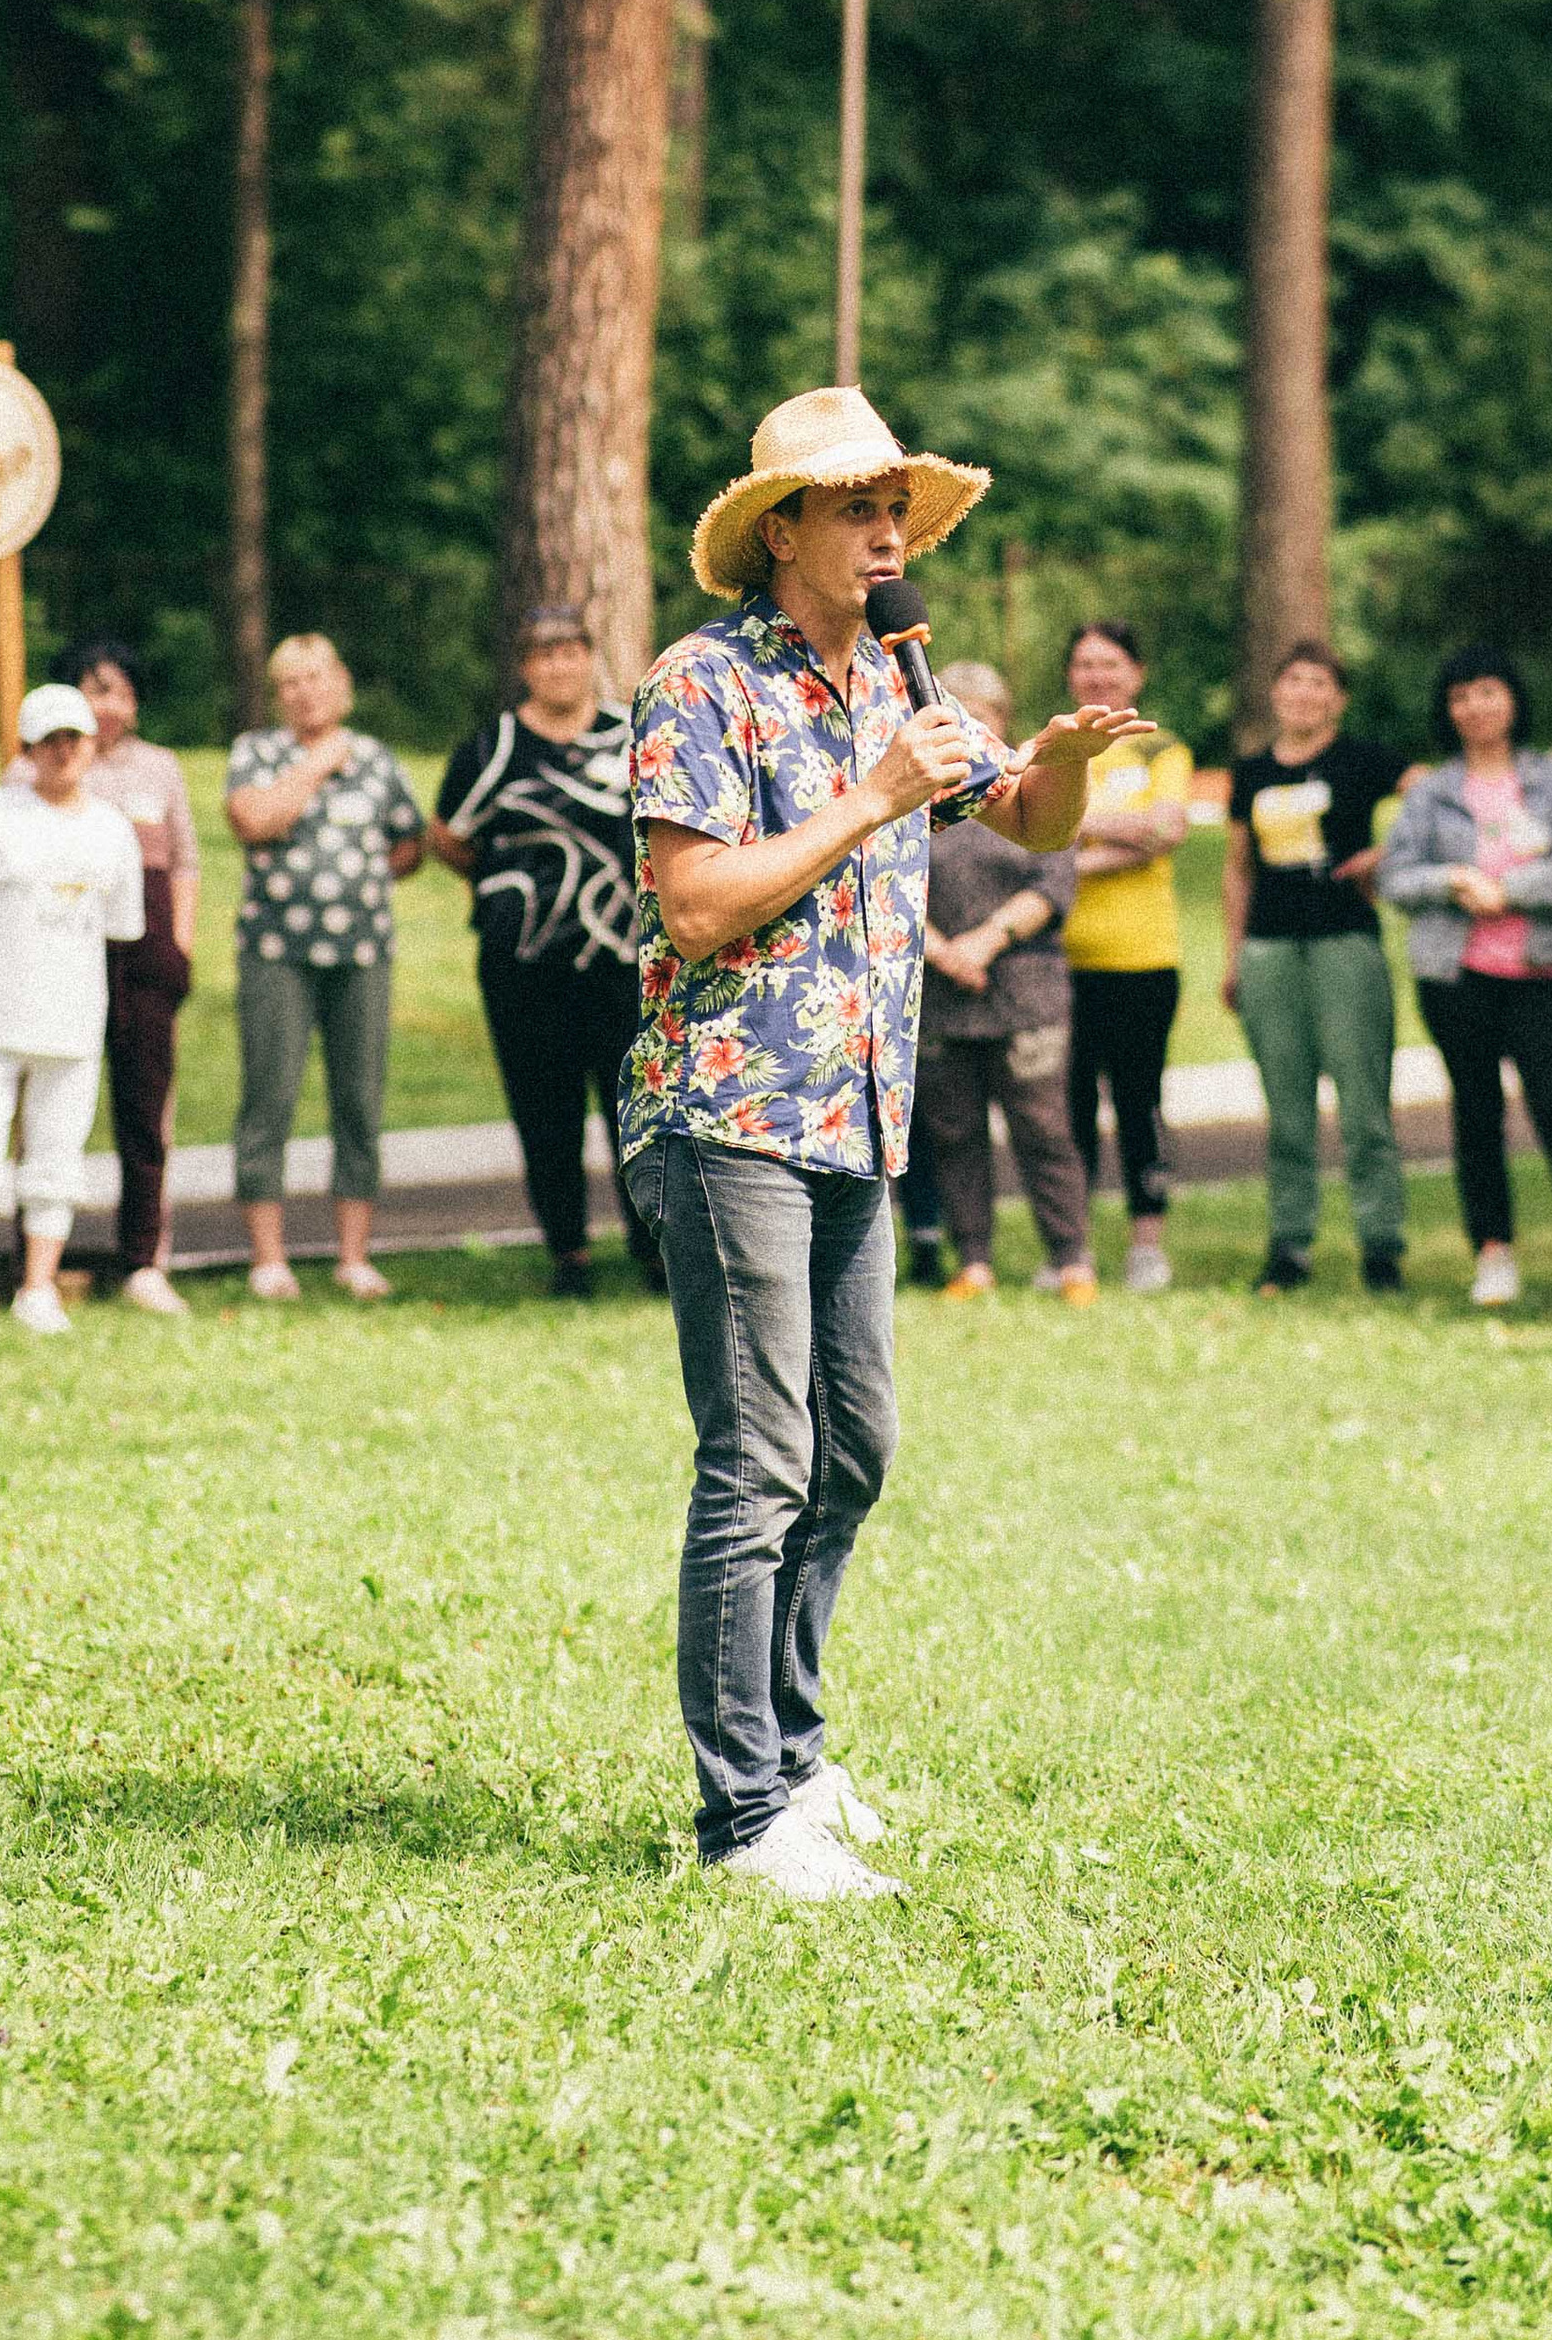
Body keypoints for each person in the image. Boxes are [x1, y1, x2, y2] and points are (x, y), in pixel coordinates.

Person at [622, 386, 1152, 1902]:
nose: (886, 529)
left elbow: (1032, 826)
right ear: (778, 530)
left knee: (853, 1452)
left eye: (896, 506)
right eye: (856, 506)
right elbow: (698, 904)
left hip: (860, 1113)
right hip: (731, 1114)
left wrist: (1057, 761)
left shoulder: (909, 679)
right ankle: (741, 1822)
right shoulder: (700, 682)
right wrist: (868, 799)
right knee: (760, 1461)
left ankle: (789, 1759)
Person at [1378, 644, 1552, 1311]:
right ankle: (1493, 1254)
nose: (1476, 706)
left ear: (1513, 699)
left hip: (1537, 973)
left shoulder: (1549, 781)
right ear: (1448, 711)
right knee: (1476, 1116)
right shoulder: (1432, 793)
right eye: (1462, 696)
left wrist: (1511, 889)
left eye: (1489, 691)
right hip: (1455, 976)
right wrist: (1452, 880)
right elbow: (1395, 876)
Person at [0, 683, 144, 1343]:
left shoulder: (112, 831)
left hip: (72, 1020)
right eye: (51, 740)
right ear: (29, 748)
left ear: (93, 746)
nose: (64, 752)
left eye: (76, 738)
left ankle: (39, 1289)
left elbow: (121, 927)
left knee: (56, 1160)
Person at [429, 602, 652, 1301]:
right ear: (525, 666)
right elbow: (449, 835)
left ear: (590, 656)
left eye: (571, 651)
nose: (560, 666)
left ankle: (655, 1251)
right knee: (544, 1111)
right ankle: (570, 1253)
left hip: (625, 963)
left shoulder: (633, 734)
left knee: (639, 1112)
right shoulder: (493, 747)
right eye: (544, 654)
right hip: (526, 966)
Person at [225, 632, 424, 1304]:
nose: (306, 692)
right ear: (278, 695)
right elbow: (254, 821)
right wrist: (314, 767)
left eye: (317, 677)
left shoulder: (376, 759)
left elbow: (408, 843)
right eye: (291, 682)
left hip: (361, 954)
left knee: (359, 1100)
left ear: (341, 683)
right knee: (269, 1098)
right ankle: (268, 1258)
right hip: (276, 953)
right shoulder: (258, 753)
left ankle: (353, 1256)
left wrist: (357, 881)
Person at [9, 638, 198, 1314]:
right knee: (46, 1109)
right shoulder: (28, 774)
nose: (106, 706)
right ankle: (36, 1262)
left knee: (145, 1109)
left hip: (143, 957)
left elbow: (184, 863)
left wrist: (178, 944)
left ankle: (145, 1258)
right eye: (93, 690)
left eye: (119, 691)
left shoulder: (161, 769)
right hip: (60, 955)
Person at [1224, 642, 1409, 1292]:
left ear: (1338, 699)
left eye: (1319, 683)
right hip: (1271, 949)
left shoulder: (1360, 759)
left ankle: (1381, 1245)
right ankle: (1289, 1246)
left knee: (1363, 1106)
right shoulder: (1250, 771)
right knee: (1287, 1109)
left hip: (1344, 946)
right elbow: (1238, 868)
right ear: (1274, 693)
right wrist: (1233, 955)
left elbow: (1434, 797)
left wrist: (1385, 857)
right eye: (1292, 680)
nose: (1304, 693)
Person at [915, 659, 1095, 1304]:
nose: (970, 724)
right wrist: (943, 953)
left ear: (1002, 718)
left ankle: (1072, 1261)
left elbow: (1055, 883)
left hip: (1026, 989)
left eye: (981, 712)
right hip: (939, 989)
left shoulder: (1033, 786)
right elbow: (887, 880)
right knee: (954, 1132)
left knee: (1043, 1128)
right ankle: (975, 1263)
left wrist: (987, 941)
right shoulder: (919, 791)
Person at [1059, 620, 1197, 1296]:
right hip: (1060, 963)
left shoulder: (1160, 749)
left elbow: (1166, 829)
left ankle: (1148, 1242)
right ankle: (1074, 1246)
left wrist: (1074, 834)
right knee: (1070, 1105)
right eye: (1085, 664)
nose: (1097, 676)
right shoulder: (1054, 749)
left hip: (1143, 959)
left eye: (1111, 664)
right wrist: (1119, 839)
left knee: (1139, 1101)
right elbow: (1025, 839)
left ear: (1136, 674)